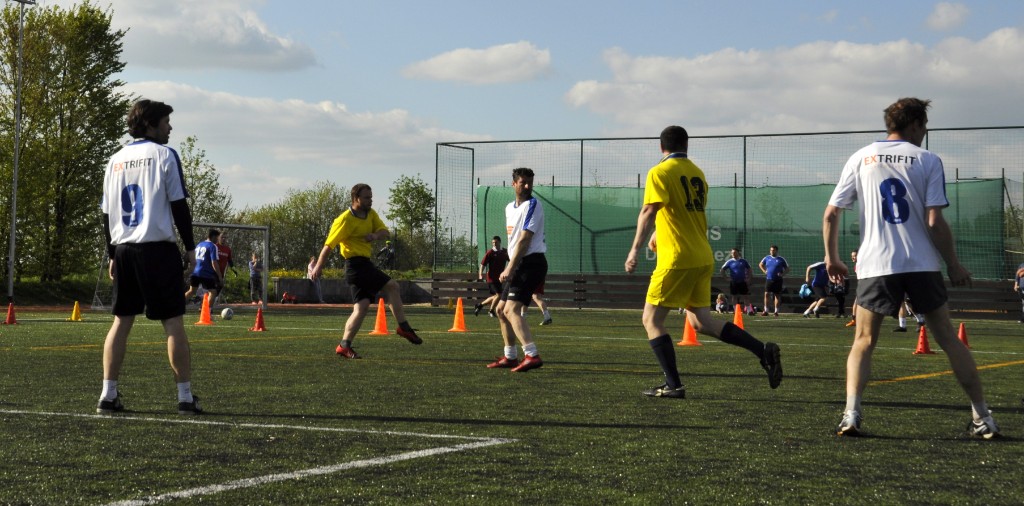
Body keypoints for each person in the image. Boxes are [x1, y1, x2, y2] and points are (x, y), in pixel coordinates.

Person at [823, 97, 999, 438]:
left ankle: (851, 415)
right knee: (948, 339)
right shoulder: (927, 160)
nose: (925, 132)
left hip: (876, 263)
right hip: (921, 263)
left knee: (863, 340)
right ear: (916, 124)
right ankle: (983, 417)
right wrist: (954, 264)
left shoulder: (861, 157)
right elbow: (934, 221)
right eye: (924, 126)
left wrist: (832, 258)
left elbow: (831, 214)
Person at [625, 125, 782, 399]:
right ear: (686, 145)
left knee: (651, 319)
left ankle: (673, 385)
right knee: (701, 323)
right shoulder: (697, 173)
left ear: (661, 147)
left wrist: (634, 249)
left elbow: (649, 210)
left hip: (677, 258)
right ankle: (763, 351)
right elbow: (679, 213)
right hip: (702, 256)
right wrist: (658, 235)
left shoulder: (659, 172)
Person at [97, 99, 202, 415]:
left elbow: (106, 214)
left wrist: (112, 254)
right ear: (150, 124)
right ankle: (185, 397)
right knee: (173, 322)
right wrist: (190, 248)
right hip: (157, 249)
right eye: (166, 121)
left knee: (121, 321)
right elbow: (179, 206)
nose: (170, 127)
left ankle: (108, 395)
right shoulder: (165, 155)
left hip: (124, 249)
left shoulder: (114, 160)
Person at [310, 183, 423, 359]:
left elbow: (385, 232)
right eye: (367, 197)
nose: (370, 200)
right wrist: (318, 267)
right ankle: (404, 327)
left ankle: (344, 346)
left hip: (364, 264)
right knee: (392, 286)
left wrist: (375, 235)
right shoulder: (344, 220)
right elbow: (328, 246)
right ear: (356, 199)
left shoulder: (371, 214)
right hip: (355, 266)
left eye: (371, 197)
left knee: (361, 308)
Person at [486, 167, 546, 372]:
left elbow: (525, 239)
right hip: (518, 263)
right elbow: (514, 242)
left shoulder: (533, 205)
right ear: (514, 184)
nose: (527, 186)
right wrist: (511, 264)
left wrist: (510, 267)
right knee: (501, 310)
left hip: (531, 263)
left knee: (511, 310)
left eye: (530, 183)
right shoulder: (509, 208)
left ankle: (532, 355)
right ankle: (510, 357)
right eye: (523, 183)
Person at [184, 229, 222, 305]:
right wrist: (220, 277)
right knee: (213, 292)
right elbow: (214, 263)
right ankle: (208, 310)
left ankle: (177, 305)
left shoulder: (200, 244)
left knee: (191, 291)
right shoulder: (213, 246)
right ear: (213, 237)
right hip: (205, 273)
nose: (218, 240)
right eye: (217, 238)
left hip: (195, 272)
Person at [475, 235, 509, 317]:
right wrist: (480, 274)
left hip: (500, 278)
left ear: (499, 242)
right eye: (493, 243)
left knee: (496, 296)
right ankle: (491, 311)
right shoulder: (490, 252)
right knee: (499, 295)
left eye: (496, 242)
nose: (494, 244)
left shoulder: (504, 252)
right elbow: (483, 264)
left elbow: (511, 261)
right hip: (491, 278)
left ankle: (480, 305)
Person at [758, 244, 789, 317]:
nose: (771, 251)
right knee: (766, 294)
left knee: (777, 295)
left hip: (778, 280)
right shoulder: (767, 258)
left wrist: (782, 274)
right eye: (771, 250)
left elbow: (788, 268)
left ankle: (776, 312)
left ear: (776, 251)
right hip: (769, 279)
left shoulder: (781, 259)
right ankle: (766, 311)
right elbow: (760, 264)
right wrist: (765, 271)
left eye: (773, 250)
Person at [721, 248, 754, 315]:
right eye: (732, 253)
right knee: (734, 296)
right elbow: (722, 270)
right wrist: (726, 278)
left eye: (735, 252)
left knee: (745, 296)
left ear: (738, 253)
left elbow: (749, 269)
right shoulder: (729, 262)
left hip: (742, 281)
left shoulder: (743, 261)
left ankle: (749, 311)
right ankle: (736, 311)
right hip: (734, 282)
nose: (733, 254)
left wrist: (749, 278)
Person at [213, 232, 235, 304]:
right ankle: (207, 303)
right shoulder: (214, 247)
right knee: (213, 288)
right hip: (213, 271)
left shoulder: (227, 249)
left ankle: (210, 301)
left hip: (221, 272)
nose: (223, 239)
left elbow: (230, 260)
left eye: (225, 237)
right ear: (218, 238)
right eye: (222, 237)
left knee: (220, 286)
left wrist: (233, 269)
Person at [845, 249, 859, 327]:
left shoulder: (862, 264)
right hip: (861, 287)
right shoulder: (856, 265)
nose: (853, 258)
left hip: (866, 287)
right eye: (852, 256)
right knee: (856, 303)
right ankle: (854, 320)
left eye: (855, 256)